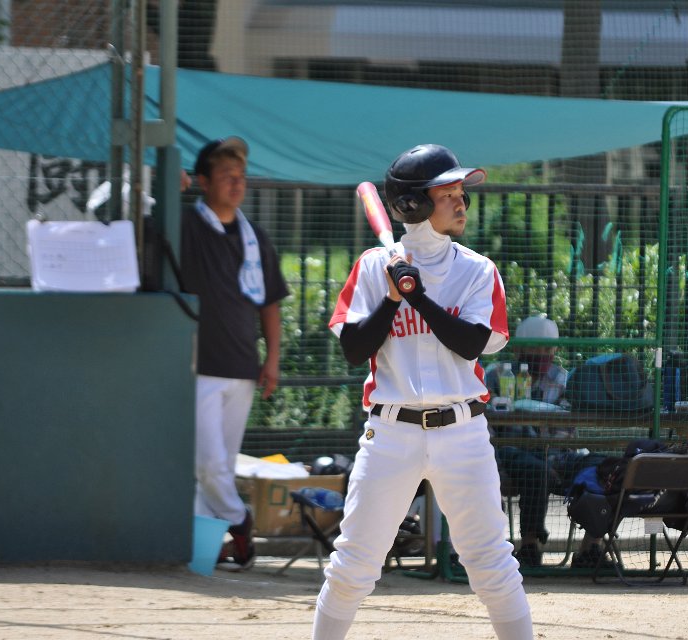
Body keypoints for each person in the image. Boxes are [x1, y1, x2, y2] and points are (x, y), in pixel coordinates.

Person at [317, 144, 532, 640]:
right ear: (412, 204)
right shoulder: (374, 267)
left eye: (461, 193)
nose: (462, 202)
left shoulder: (478, 270)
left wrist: (420, 297)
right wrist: (393, 299)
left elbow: (471, 343)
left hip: (463, 432)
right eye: (448, 193)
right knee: (353, 564)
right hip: (391, 433)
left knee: (491, 563)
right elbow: (354, 349)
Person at [180, 136, 290, 570]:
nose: (237, 183)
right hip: (199, 366)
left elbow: (270, 304)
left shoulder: (254, 236)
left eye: (241, 175)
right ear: (203, 182)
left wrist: (272, 360)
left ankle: (210, 552)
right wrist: (170, 191)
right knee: (208, 466)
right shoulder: (186, 224)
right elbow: (141, 227)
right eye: (226, 175)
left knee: (218, 467)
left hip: (242, 366)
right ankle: (241, 523)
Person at [484, 314, 610, 569]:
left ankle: (590, 549)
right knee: (536, 470)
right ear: (518, 349)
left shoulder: (563, 379)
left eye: (547, 349)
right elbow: (487, 425)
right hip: (511, 452)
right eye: (535, 348)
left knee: (606, 467)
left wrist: (549, 447)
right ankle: (530, 547)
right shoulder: (496, 374)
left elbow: (566, 429)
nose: (542, 355)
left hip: (556, 455)